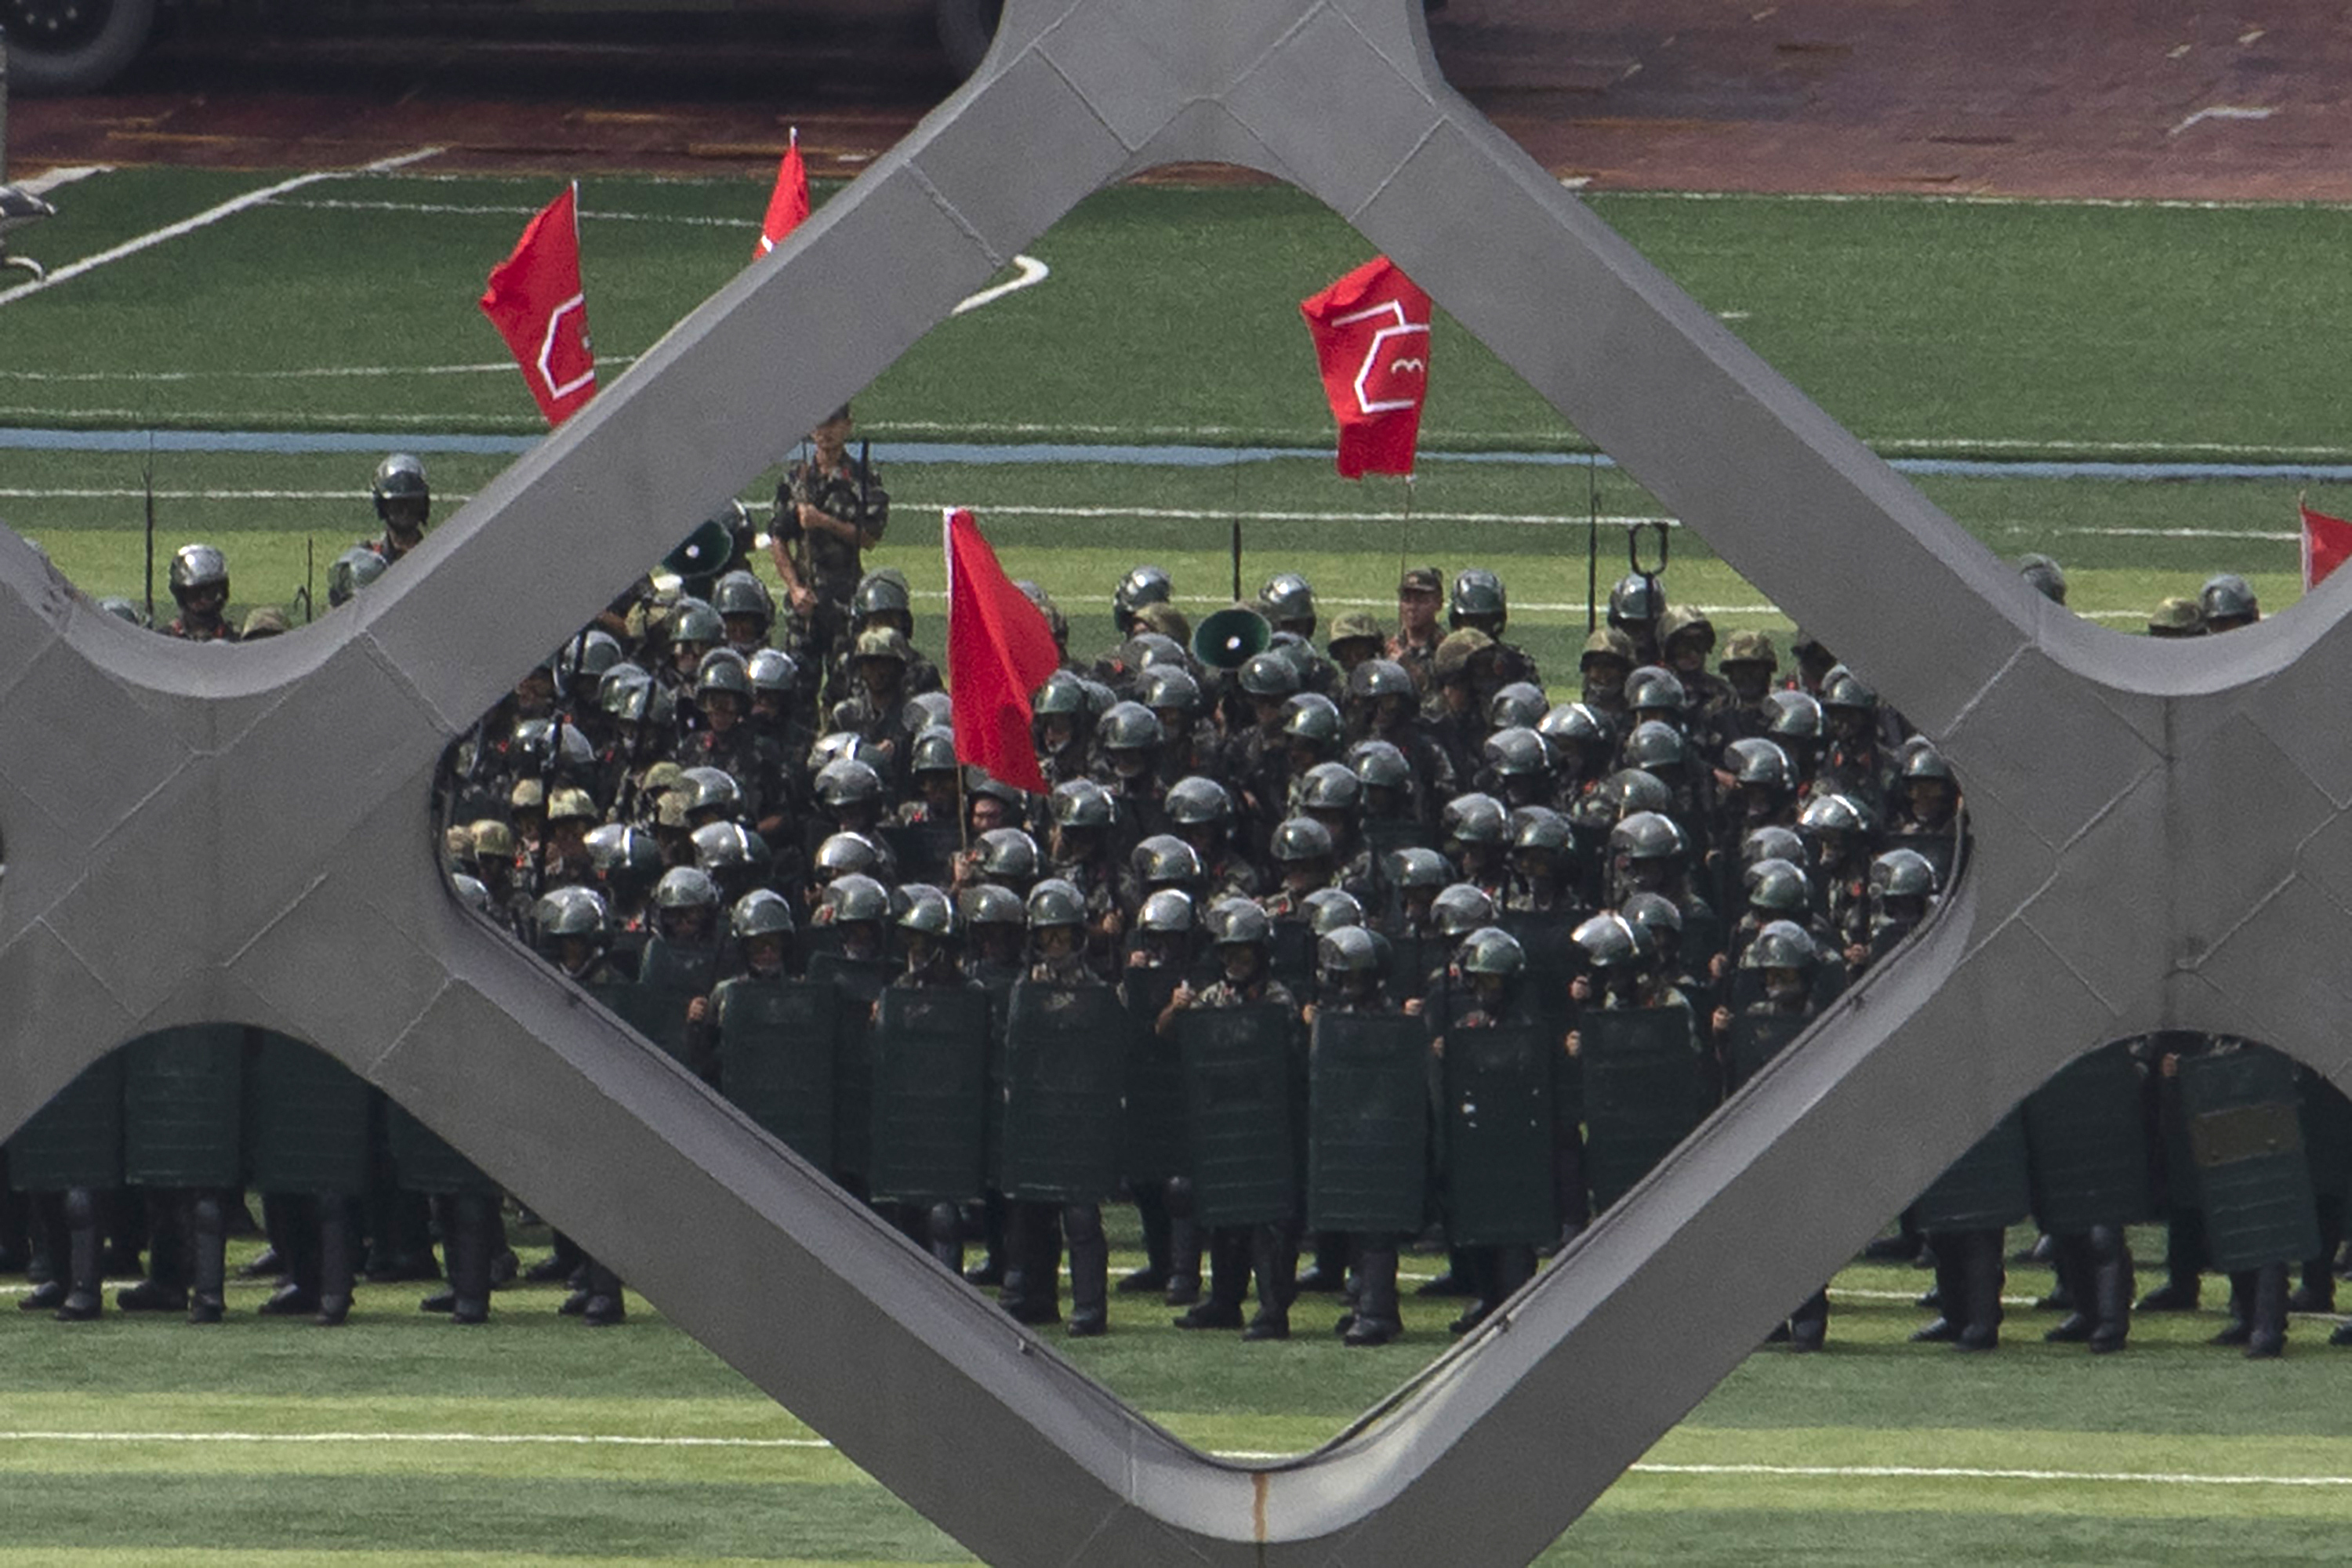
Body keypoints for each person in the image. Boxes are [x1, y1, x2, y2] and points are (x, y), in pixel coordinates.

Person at [769, 404, 887, 671]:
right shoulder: (795, 481)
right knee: (798, 688)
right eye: (820, 424)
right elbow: (778, 538)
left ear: (847, 425)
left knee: (845, 685)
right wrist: (794, 587)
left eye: (833, 423)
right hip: (805, 604)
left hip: (845, 601)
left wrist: (824, 522)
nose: (826, 432)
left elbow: (869, 537)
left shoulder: (863, 479)